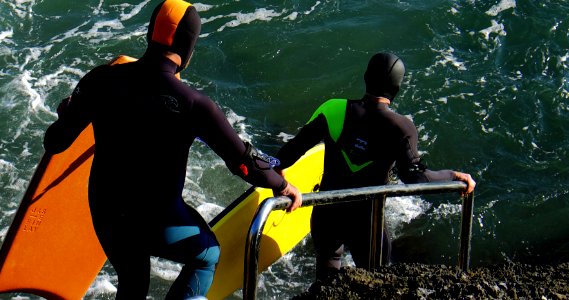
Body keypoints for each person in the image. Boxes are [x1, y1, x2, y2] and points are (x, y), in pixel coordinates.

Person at [43, 0, 302, 298]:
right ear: (188, 46)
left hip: (106, 212)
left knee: (132, 279)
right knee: (206, 255)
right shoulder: (194, 104)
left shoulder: (100, 79)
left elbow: (55, 142)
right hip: (156, 219)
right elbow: (244, 163)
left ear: (150, 34)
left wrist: (67, 114)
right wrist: (282, 185)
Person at [274, 52, 475, 281]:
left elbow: (291, 150)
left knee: (326, 285)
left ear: (366, 77)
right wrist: (454, 176)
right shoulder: (401, 127)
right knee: (376, 282)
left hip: (327, 215)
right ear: (397, 88)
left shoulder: (333, 109)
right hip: (368, 223)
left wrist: (279, 179)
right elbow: (416, 177)